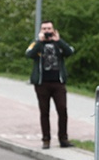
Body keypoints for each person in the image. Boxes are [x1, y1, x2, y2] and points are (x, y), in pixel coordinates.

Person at [25, 20, 75, 149]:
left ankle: (63, 139)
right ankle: (46, 139)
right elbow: (29, 54)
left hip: (58, 83)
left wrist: (58, 41)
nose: (47, 31)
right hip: (42, 84)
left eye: (49, 29)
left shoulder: (58, 43)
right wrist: (39, 42)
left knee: (62, 110)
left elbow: (70, 52)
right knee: (44, 111)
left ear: (53, 30)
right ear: (41, 31)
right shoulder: (37, 43)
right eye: (44, 29)